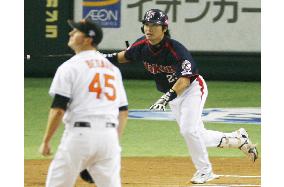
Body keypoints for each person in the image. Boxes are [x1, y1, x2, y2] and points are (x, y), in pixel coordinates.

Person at [103, 9, 258, 184]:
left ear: (164, 28)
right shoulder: (141, 46)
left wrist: (166, 97)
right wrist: (95, 57)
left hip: (192, 89)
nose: (149, 28)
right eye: (146, 24)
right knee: (198, 135)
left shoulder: (176, 50)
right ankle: (238, 139)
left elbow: (184, 80)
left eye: (154, 25)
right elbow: (120, 57)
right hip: (174, 97)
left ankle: (205, 171)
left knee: (188, 130)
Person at [39, 18, 128, 187]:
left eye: (76, 31)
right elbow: (123, 112)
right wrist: (111, 142)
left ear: (88, 39)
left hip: (79, 137)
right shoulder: (113, 69)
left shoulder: (70, 67)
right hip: (109, 139)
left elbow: (58, 109)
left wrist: (46, 141)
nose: (71, 33)